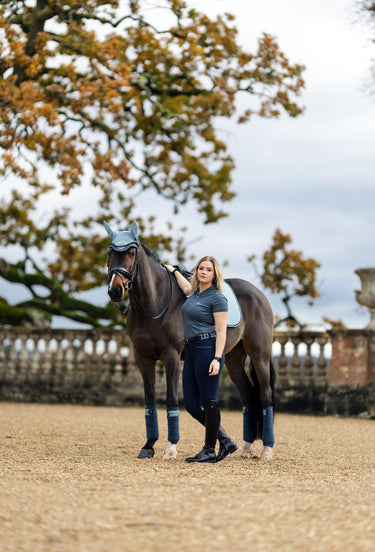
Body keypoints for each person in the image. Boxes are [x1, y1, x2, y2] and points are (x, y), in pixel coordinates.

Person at [166, 256, 238, 463]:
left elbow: (222, 332)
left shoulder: (218, 298)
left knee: (209, 402)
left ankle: (209, 449)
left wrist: (217, 357)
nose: (203, 272)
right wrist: (174, 272)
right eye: (200, 268)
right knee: (190, 405)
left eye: (208, 269)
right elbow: (186, 289)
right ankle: (225, 440)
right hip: (190, 350)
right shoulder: (195, 294)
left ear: (215, 274)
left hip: (208, 349)